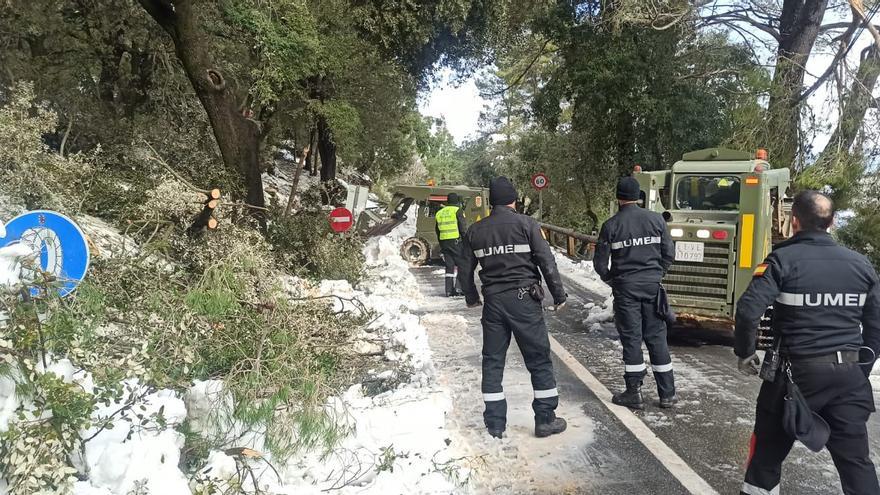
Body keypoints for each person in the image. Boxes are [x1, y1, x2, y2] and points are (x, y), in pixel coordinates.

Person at [734, 190, 880, 495]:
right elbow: (875, 326)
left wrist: (746, 354)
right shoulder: (861, 265)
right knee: (856, 463)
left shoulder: (783, 259)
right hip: (848, 379)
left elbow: (748, 311)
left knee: (767, 456)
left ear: (793, 221)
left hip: (794, 379)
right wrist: (860, 369)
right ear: (833, 222)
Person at [459, 176, 568, 439]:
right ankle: (545, 419)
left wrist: (472, 297)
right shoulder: (527, 224)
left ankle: (495, 424)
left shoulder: (476, 230)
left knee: (493, 361)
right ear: (514, 201)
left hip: (494, 304)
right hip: (524, 301)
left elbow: (464, 269)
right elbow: (546, 260)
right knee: (539, 360)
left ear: (490, 203)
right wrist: (558, 294)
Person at [593, 176, 676, 410]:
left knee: (632, 339)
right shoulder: (656, 220)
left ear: (618, 197)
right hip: (652, 288)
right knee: (657, 338)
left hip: (625, 290)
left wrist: (613, 280)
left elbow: (600, 264)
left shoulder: (611, 225)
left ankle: (633, 392)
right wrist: (657, 274)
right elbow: (669, 253)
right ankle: (667, 394)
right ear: (638, 196)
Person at [434, 192, 468, 297]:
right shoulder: (457, 211)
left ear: (447, 201)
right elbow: (462, 227)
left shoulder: (440, 212)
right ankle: (459, 288)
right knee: (462, 264)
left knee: (449, 267)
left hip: (445, 243)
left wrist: (441, 243)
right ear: (457, 201)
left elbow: (437, 230)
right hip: (456, 242)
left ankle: (448, 290)